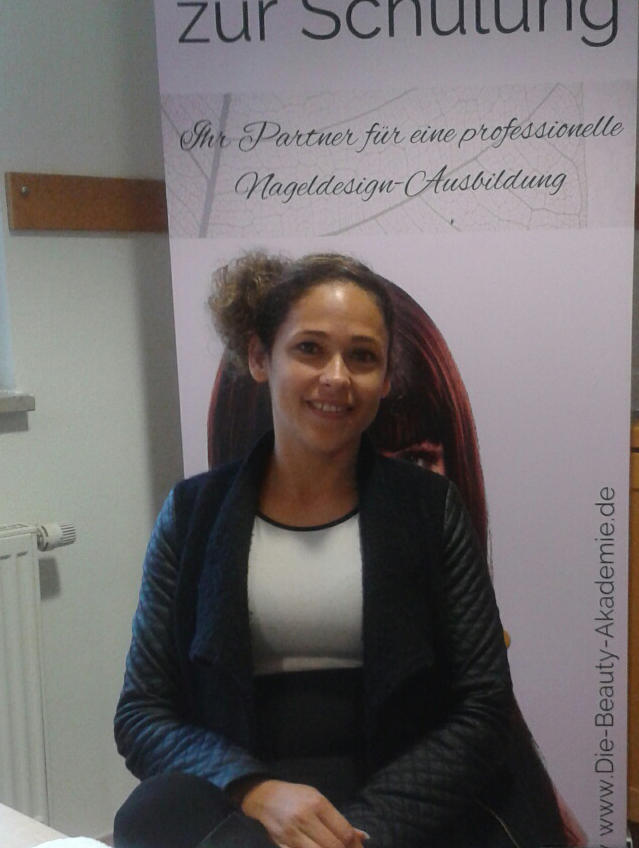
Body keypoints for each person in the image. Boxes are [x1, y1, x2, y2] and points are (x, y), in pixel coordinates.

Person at [114, 252, 569, 848]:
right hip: (249, 796)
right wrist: (253, 788)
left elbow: (483, 707)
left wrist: (362, 831)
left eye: (362, 357)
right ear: (259, 358)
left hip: (404, 797)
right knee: (148, 815)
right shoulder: (191, 514)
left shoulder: (432, 510)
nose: (336, 377)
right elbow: (143, 714)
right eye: (310, 349)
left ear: (385, 378)